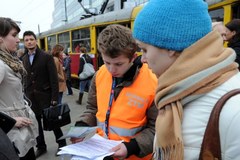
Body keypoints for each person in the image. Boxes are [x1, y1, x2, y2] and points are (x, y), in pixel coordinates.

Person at [133, 0, 240, 160]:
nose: (143, 59)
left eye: (144, 50)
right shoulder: (174, 92)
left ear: (170, 46)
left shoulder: (234, 110)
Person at [71, 24, 158, 160]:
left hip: (134, 156)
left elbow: (157, 128)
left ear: (133, 57)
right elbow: (92, 109)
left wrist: (131, 147)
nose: (111, 69)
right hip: (101, 153)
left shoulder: (153, 82)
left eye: (118, 64)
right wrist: (82, 125)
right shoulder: (99, 75)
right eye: (107, 62)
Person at [22, 31, 66, 158]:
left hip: (46, 97)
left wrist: (54, 98)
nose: (29, 41)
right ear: (24, 43)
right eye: (26, 40)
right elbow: (25, 78)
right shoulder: (24, 58)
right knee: (36, 125)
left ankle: (62, 144)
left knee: (53, 123)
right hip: (31, 98)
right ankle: (41, 146)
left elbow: (53, 79)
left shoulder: (46, 57)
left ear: (36, 41)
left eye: (31, 39)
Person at [0, 17, 38, 160]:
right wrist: (10, 120)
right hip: (11, 133)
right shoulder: (1, 65)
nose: (18, 40)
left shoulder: (7, 60)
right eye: (14, 35)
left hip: (17, 130)